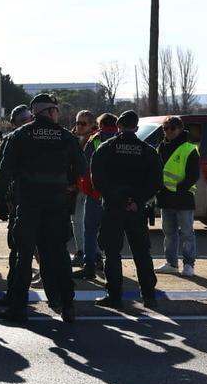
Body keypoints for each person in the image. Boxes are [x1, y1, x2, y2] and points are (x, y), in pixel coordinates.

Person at [0, 94, 85, 323]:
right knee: (59, 253)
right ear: (50, 112)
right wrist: (65, 182)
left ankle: (18, 308)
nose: (58, 114)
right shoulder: (66, 136)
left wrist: (1, 200)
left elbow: (4, 172)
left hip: (28, 203)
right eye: (56, 110)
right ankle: (67, 304)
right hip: (57, 203)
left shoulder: (20, 135)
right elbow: (82, 169)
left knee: (23, 256)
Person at [89, 110, 162, 309]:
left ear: (118, 126)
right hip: (136, 209)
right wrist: (137, 200)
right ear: (136, 128)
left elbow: (98, 180)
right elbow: (156, 181)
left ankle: (114, 296)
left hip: (113, 207)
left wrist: (118, 199)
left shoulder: (106, 148)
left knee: (112, 252)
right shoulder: (147, 151)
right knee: (141, 252)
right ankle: (149, 296)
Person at [0, 104, 33, 306]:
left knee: (19, 252)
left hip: (24, 205)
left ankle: (15, 298)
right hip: (43, 204)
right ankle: (61, 300)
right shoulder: (56, 136)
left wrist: (0, 199)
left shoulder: (12, 139)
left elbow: (3, 174)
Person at [74, 113, 117, 279]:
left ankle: (89, 267)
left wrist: (87, 190)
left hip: (95, 193)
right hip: (116, 195)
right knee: (113, 232)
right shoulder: (121, 139)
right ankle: (112, 268)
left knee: (90, 231)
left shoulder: (95, 139)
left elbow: (85, 168)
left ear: (99, 124)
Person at [156, 115, 200, 277]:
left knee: (187, 233)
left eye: (172, 128)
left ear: (180, 129)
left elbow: (193, 175)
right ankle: (171, 263)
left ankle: (188, 264)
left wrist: (178, 189)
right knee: (169, 233)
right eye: (165, 128)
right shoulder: (161, 147)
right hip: (165, 197)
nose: (168, 131)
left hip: (183, 198)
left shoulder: (189, 148)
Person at [68, 110, 95, 263]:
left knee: (91, 223)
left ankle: (94, 255)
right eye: (77, 122)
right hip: (75, 187)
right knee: (77, 221)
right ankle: (80, 252)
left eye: (82, 123)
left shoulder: (95, 140)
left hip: (90, 188)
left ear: (91, 125)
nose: (78, 126)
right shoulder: (71, 138)